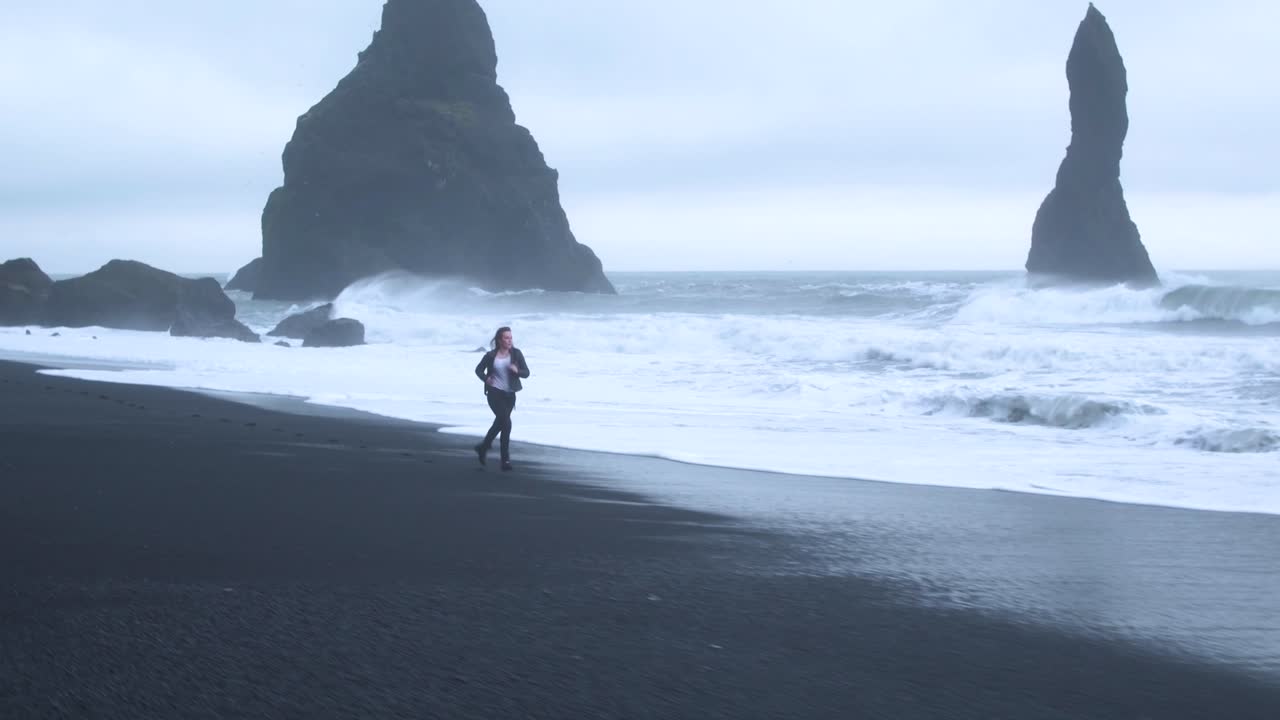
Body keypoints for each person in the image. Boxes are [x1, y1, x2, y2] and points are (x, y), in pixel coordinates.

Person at [472, 326, 530, 471]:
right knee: (506, 423)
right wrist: (486, 379)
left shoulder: (516, 354)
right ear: (499, 340)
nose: (509, 340)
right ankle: (505, 460)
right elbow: (478, 370)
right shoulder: (491, 356)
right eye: (506, 338)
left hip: (510, 395)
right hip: (494, 393)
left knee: (501, 423)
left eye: (511, 337)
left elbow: (527, 373)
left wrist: (518, 371)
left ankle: (483, 447)